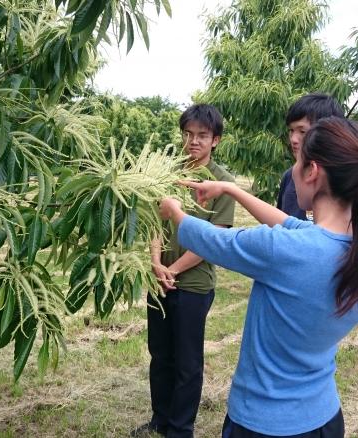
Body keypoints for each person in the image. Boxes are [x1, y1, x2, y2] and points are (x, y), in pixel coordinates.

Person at [159, 117, 358, 437]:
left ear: (312, 172)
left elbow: (215, 241)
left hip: (264, 422)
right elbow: (289, 224)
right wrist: (231, 190)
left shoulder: (285, 252)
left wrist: (175, 212)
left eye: (297, 161)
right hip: (323, 417)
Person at [134, 104, 236, 438]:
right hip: (159, 279)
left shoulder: (222, 183)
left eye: (202, 136)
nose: (193, 141)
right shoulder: (167, 173)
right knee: (160, 354)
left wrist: (173, 270)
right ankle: (160, 420)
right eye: (188, 134)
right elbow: (154, 223)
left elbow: (214, 239)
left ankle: (180, 429)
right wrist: (155, 264)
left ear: (215, 140)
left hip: (193, 284)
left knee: (187, 362)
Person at [276, 93, 344, 219]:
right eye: (291, 130)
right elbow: (282, 224)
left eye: (302, 131)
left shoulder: (345, 180)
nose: (293, 139)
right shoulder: (290, 176)